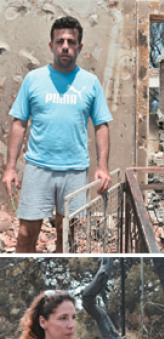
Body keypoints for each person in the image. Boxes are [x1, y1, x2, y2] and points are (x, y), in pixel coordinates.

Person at [3, 16, 113, 254]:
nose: (65, 46)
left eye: (71, 41)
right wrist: (10, 168)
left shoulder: (90, 83)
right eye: (60, 41)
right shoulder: (34, 80)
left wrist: (103, 166)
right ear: (51, 45)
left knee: (67, 238)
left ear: (79, 47)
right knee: (25, 235)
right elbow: (19, 123)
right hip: (38, 168)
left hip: (74, 171)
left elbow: (101, 125)